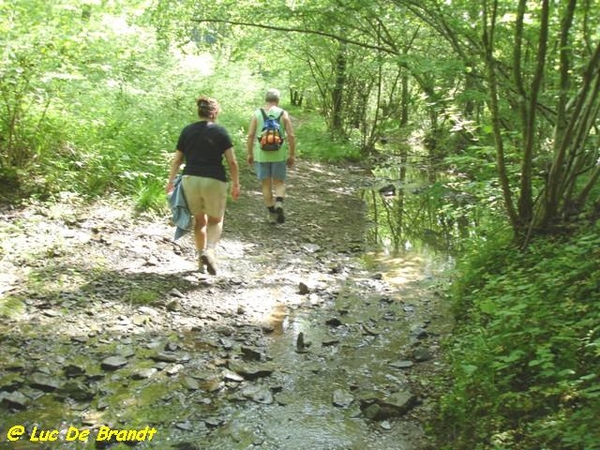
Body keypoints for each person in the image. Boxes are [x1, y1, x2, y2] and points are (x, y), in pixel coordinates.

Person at [167, 96, 240, 275]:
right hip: (214, 180)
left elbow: (177, 160)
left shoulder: (187, 131)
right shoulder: (220, 132)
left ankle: (200, 262)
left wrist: (170, 181)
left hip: (190, 179)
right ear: (214, 113)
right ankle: (210, 250)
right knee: (216, 220)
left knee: (199, 222)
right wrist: (236, 183)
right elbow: (232, 162)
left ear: (198, 111)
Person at [246, 88, 296, 224]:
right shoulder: (283, 113)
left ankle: (271, 214)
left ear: (266, 100)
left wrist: (250, 153)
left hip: (261, 155)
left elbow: (250, 135)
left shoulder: (257, 113)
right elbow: (291, 135)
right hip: (279, 154)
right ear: (278, 100)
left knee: (266, 184)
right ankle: (279, 201)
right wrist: (292, 155)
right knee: (279, 182)